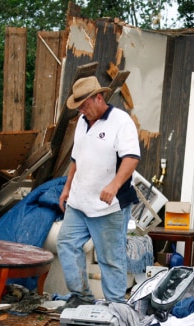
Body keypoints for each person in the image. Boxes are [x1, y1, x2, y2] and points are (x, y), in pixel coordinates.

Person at [57, 75, 141, 310]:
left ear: (99, 97)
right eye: (79, 107)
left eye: (84, 105)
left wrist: (114, 185)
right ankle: (81, 296)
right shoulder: (83, 123)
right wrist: (67, 188)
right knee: (66, 243)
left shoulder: (121, 122)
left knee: (110, 258)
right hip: (78, 202)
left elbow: (131, 158)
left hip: (108, 206)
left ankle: (116, 306)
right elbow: (76, 158)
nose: (82, 111)